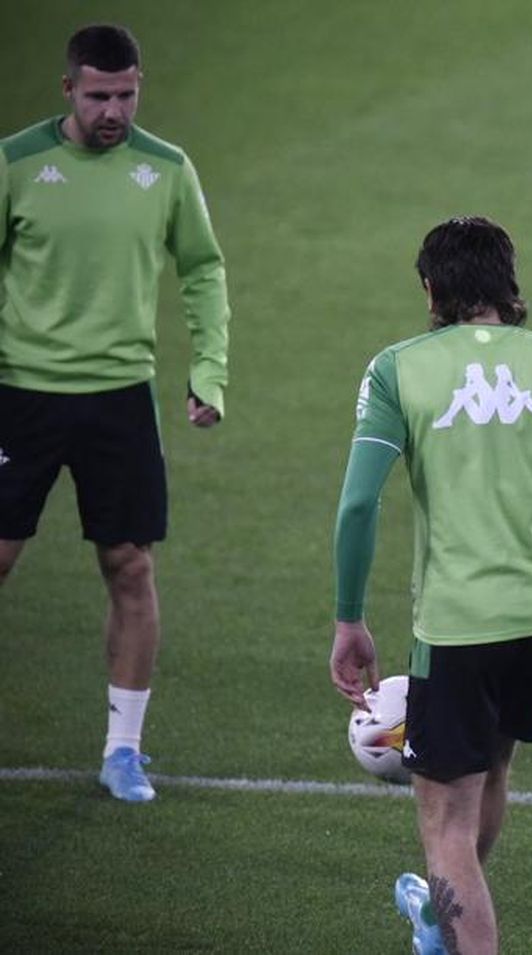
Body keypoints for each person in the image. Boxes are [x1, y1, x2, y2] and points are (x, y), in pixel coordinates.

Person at [330, 217, 532, 955]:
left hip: (458, 624)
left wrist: (349, 618)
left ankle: (454, 928)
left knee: (444, 821)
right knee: (493, 766)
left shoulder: (396, 369)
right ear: (508, 285)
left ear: (430, 289)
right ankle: (442, 925)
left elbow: (357, 503)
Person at [0, 24, 231, 803]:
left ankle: (123, 750)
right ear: (67, 89)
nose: (114, 110)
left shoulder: (164, 170)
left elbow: (202, 269)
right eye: (99, 95)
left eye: (126, 94)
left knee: (129, 566)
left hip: (119, 397)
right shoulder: (16, 163)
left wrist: (210, 372)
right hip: (21, 393)